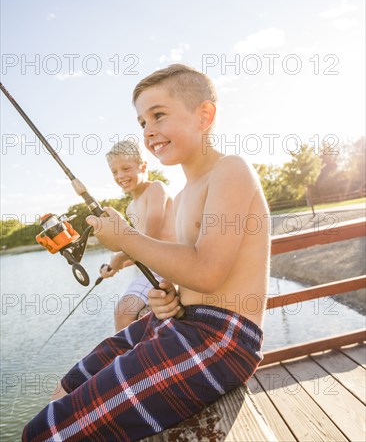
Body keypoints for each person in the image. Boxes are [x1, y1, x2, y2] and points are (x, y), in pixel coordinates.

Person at [23, 64, 270, 441]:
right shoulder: (185, 194)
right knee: (67, 387)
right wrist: (165, 295)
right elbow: (184, 272)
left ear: (205, 115)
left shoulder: (230, 170)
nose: (148, 130)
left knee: (42, 433)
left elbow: (208, 272)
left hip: (221, 337)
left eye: (158, 115)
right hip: (179, 322)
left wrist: (124, 238)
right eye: (141, 122)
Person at [100, 139, 176, 331]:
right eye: (115, 172)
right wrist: (116, 267)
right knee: (124, 313)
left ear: (143, 166)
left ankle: (129, 359)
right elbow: (141, 254)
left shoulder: (156, 189)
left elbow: (148, 242)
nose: (120, 176)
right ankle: (130, 356)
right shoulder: (130, 207)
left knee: (123, 311)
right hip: (152, 267)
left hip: (171, 266)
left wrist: (119, 257)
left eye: (126, 168)